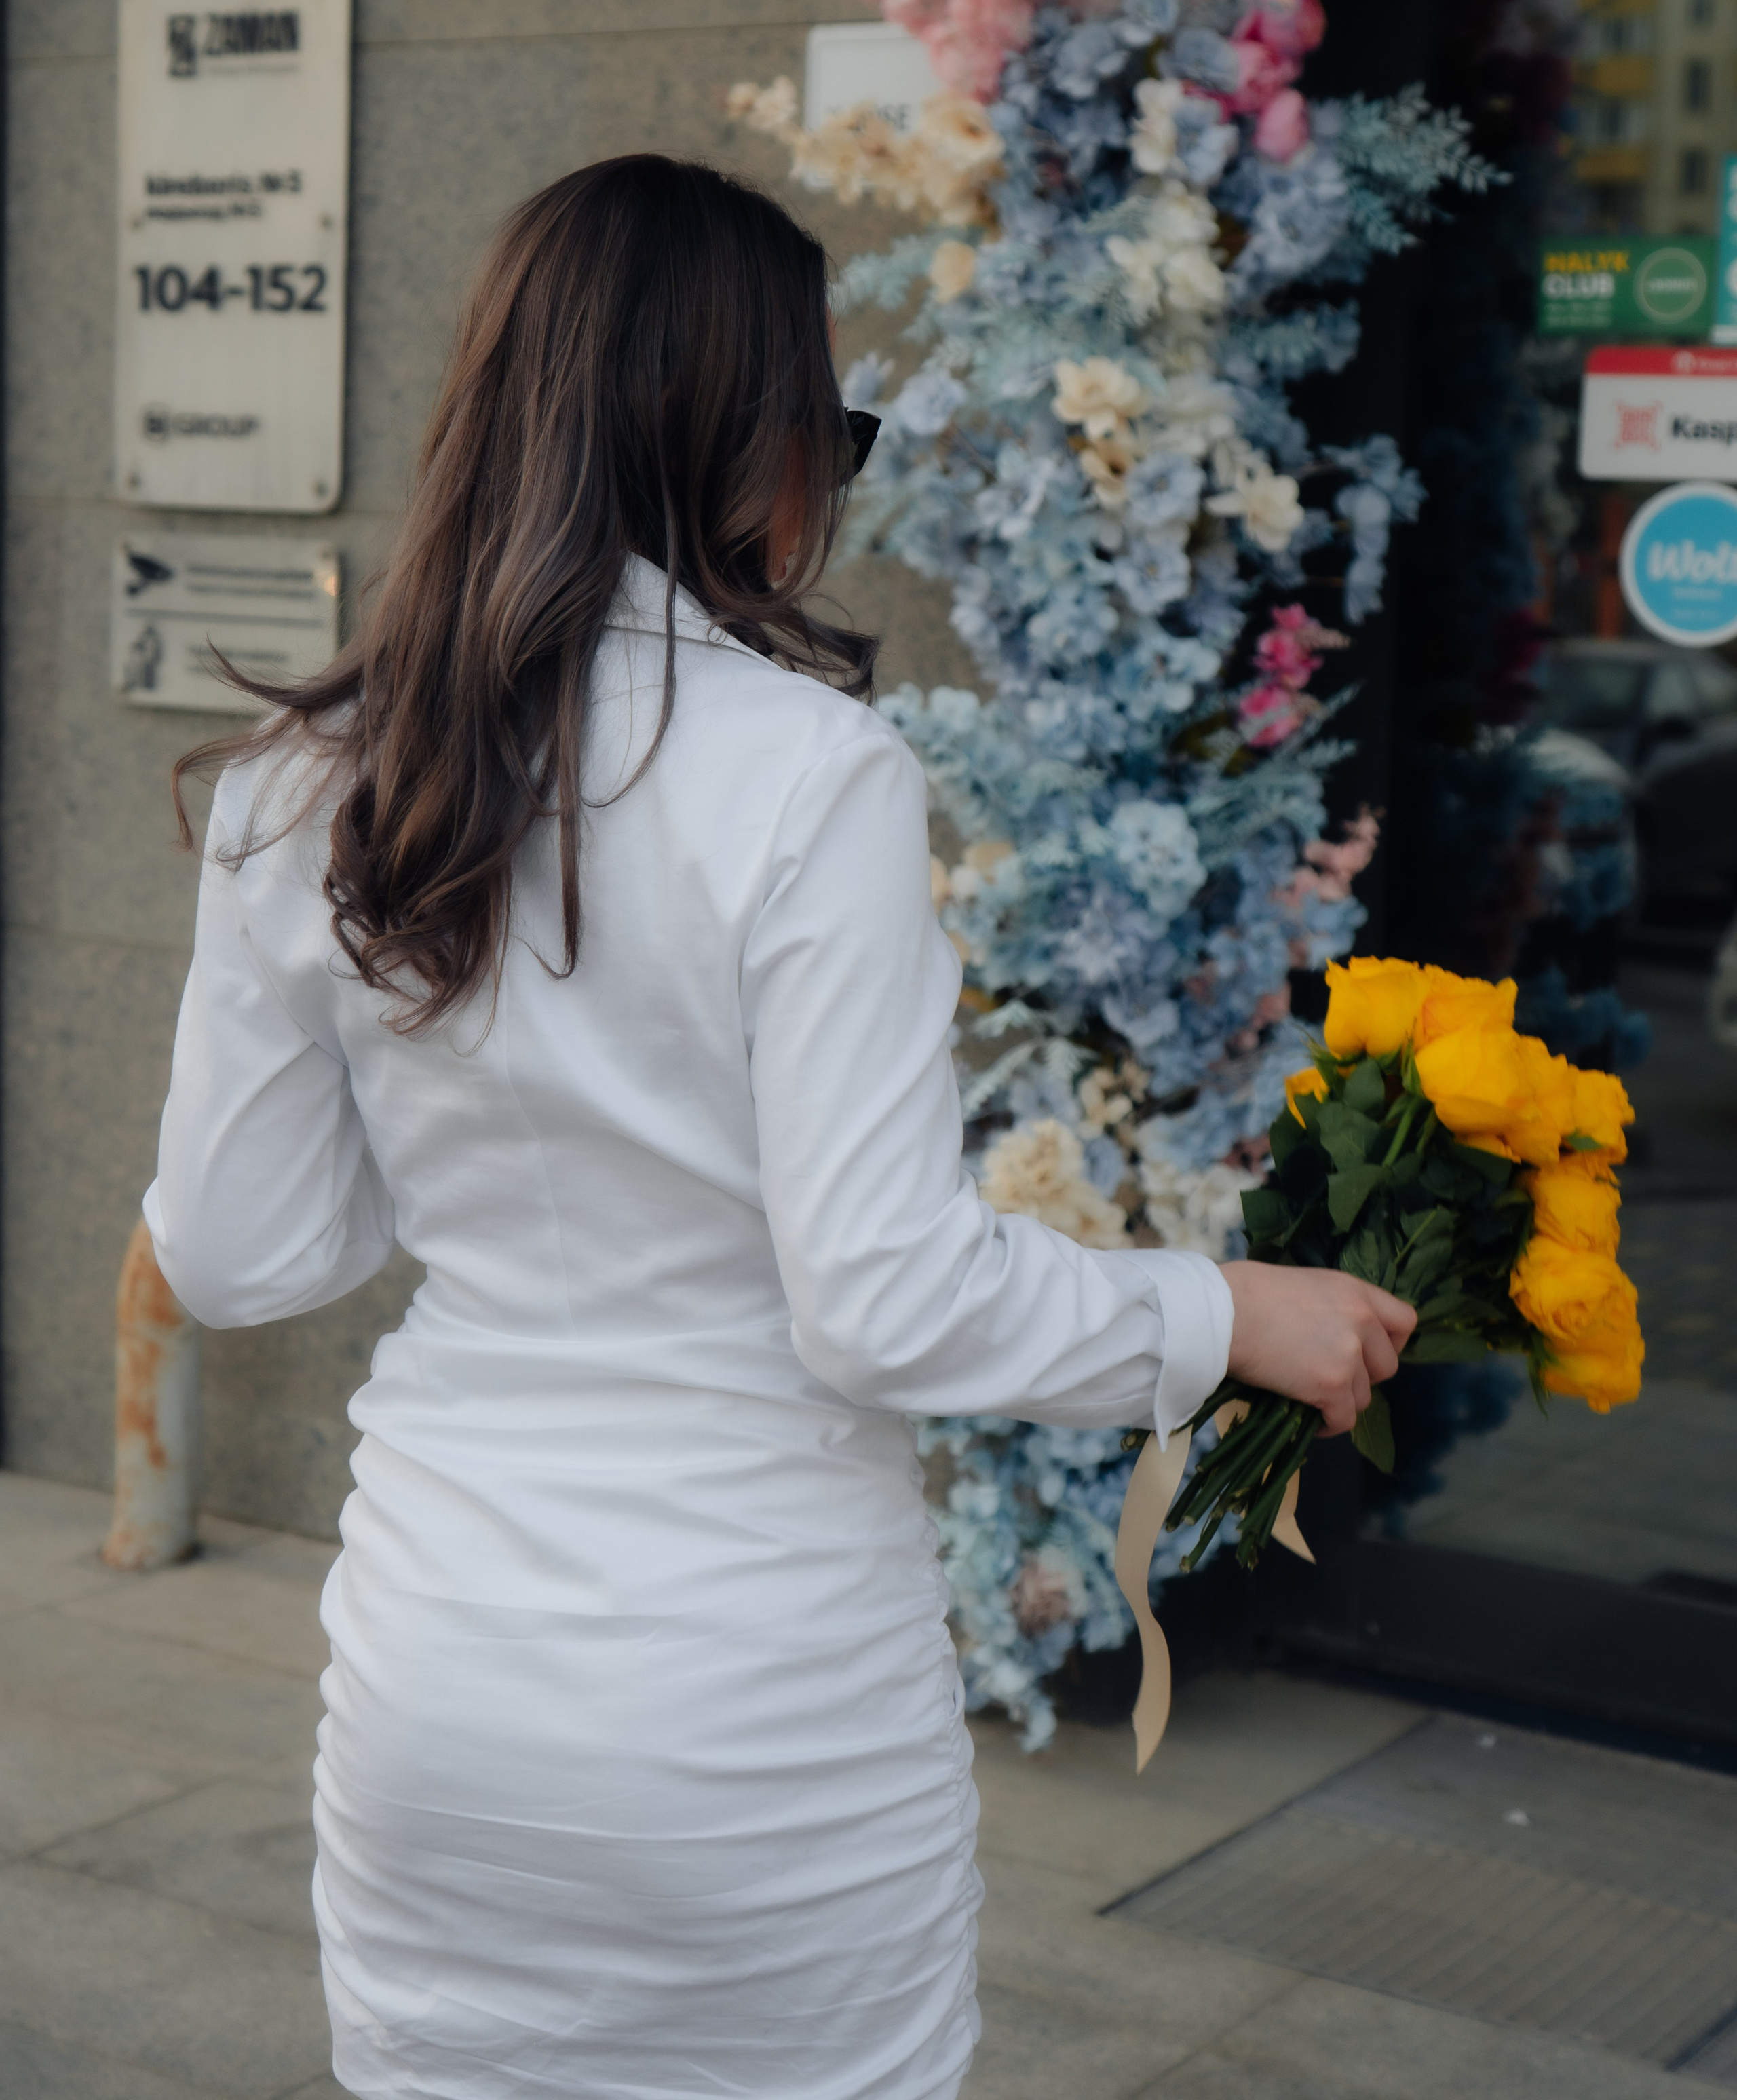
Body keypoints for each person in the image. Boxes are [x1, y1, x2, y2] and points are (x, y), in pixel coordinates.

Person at [147, 156, 1415, 2100]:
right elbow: (881, 1302)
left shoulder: (300, 780)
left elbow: (236, 1256)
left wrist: (483, 1130)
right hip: (755, 1702)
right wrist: (1219, 1313)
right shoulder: (813, 773)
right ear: (738, 438)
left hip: (440, 1671)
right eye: (830, 423)